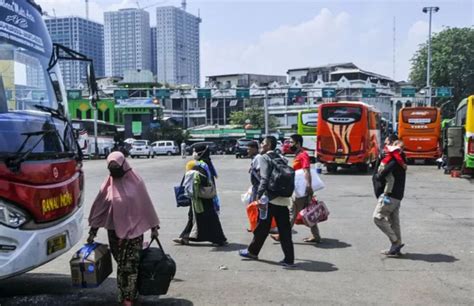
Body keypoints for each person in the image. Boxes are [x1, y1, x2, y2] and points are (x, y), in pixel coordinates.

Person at [87, 152, 160, 306]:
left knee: (130, 266)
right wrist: (92, 232)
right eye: (111, 167)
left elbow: (146, 205)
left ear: (124, 165)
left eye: (116, 166)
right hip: (114, 233)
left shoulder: (137, 182)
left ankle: (128, 298)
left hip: (135, 233)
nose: (114, 170)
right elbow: (100, 209)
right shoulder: (107, 186)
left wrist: (154, 227)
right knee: (122, 265)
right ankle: (127, 293)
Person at [239, 136, 295, 267]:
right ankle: (289, 259)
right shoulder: (280, 157)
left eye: (263, 143)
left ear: (269, 145)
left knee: (262, 227)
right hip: (283, 199)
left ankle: (252, 252)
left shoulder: (264, 158)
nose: (260, 145)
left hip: (270, 199)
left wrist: (259, 196)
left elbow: (264, 178)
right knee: (284, 229)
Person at [271, 134, 321, 243]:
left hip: (301, 190)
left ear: (298, 143)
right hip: (299, 188)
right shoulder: (298, 154)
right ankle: (316, 236)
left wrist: (308, 186)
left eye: (291, 142)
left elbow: (306, 170)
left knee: (292, 213)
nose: (289, 144)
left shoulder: (303, 155)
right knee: (309, 211)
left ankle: (282, 236)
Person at [173, 160, 228, 246]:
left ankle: (219, 239)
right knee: (193, 217)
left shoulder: (201, 166)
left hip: (202, 197)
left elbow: (204, 181)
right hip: (200, 197)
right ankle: (185, 238)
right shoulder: (203, 165)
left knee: (208, 218)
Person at [372, 140, 407, 257]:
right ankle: (396, 248)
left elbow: (382, 173)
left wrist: (378, 176)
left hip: (390, 195)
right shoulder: (400, 159)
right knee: (394, 222)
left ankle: (395, 242)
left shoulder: (395, 159)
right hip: (398, 196)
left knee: (377, 217)